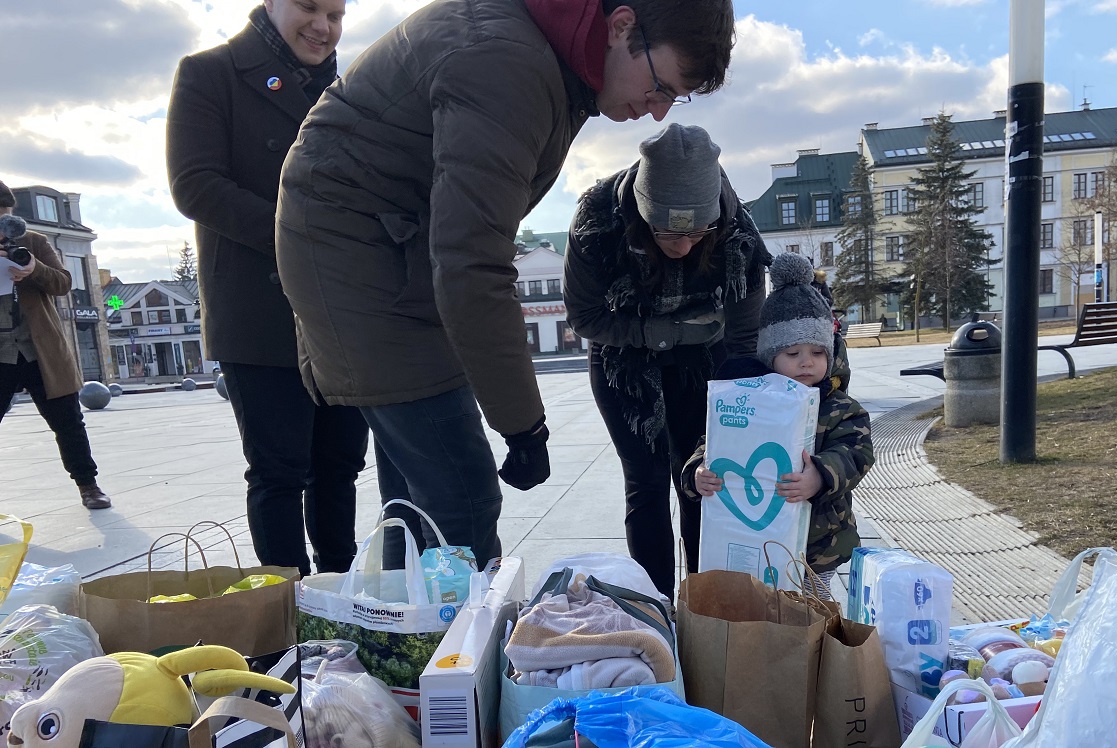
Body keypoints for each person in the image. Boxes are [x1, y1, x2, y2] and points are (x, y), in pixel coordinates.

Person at [273, 0, 736, 569]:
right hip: (361, 263)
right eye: (662, 85)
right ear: (621, 28)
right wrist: (522, 424)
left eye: (675, 98)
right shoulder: (510, 64)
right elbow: (472, 259)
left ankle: (398, 636)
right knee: (461, 499)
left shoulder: (552, 63)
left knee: (416, 501)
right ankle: (450, 653)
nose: (659, 110)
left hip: (387, 254)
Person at [166, 0, 368, 576]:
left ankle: (336, 591)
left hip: (343, 313)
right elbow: (196, 185)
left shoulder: (352, 87)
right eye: (309, 7)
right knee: (279, 470)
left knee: (339, 466)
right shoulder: (211, 73)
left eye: (336, 14)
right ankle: (284, 612)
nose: (323, 27)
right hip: (260, 313)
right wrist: (301, 235)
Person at [564, 123, 770, 597]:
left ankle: (704, 604)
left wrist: (745, 408)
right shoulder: (597, 220)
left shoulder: (736, 232)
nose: (682, 247)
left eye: (698, 233)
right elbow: (585, 316)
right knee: (647, 484)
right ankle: (654, 606)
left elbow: (743, 336)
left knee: (703, 483)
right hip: (622, 361)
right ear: (641, 211)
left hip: (705, 359)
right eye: (666, 233)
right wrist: (664, 332)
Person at [681, 252, 875, 600]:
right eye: (792, 354)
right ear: (771, 358)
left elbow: (856, 453)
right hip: (759, 538)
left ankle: (817, 651)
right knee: (761, 604)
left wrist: (821, 474)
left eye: (817, 352)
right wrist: (698, 472)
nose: (806, 362)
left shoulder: (840, 407)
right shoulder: (750, 401)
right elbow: (713, 441)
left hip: (820, 542)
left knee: (813, 604)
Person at [0, 181, 112, 509]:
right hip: (1, 351)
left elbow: (64, 282)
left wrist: (33, 268)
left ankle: (88, 486)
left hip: (42, 349)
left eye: (5, 217)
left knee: (68, 423)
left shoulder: (34, 241)